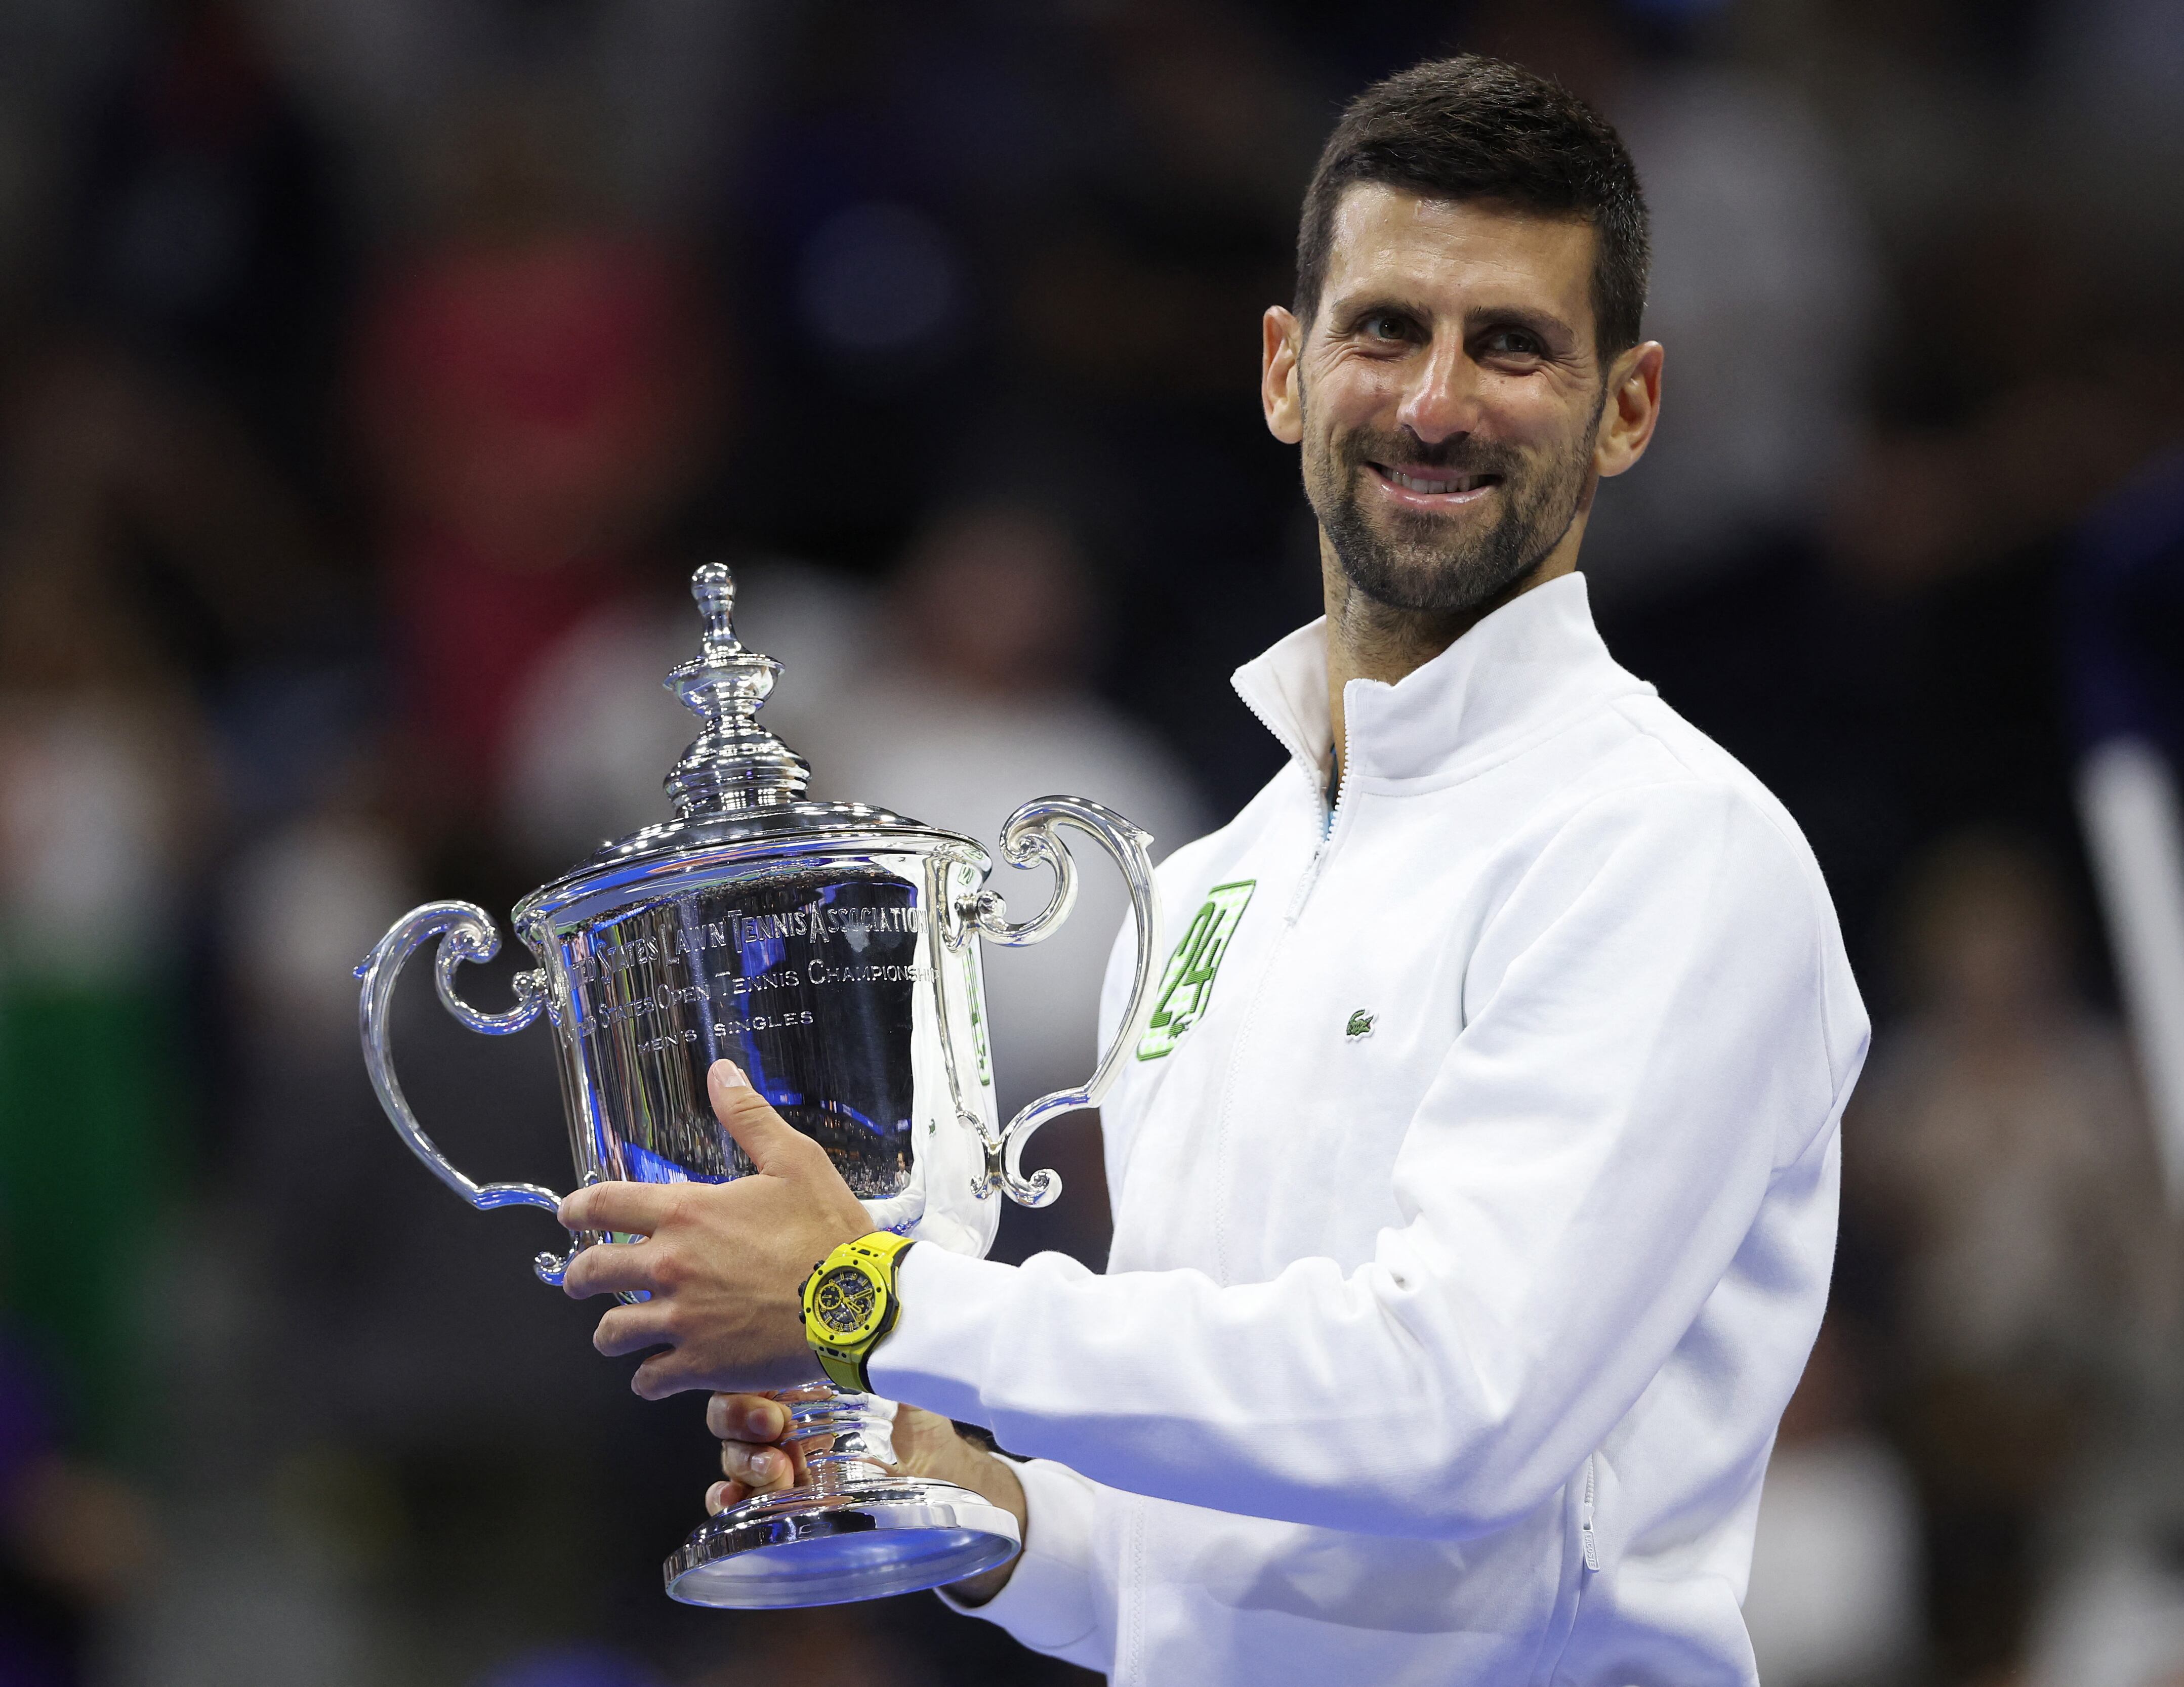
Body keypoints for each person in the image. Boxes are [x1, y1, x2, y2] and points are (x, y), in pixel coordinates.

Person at [558, 56, 1869, 1684]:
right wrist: (979, 1500)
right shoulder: (1205, 889)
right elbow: (1211, 1579)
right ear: (1283, 371)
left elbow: (1456, 1411)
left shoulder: (1673, 848)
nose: (1437, 403)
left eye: (1512, 344)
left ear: (1630, 409)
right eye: (1385, 328)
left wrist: (863, 1300)